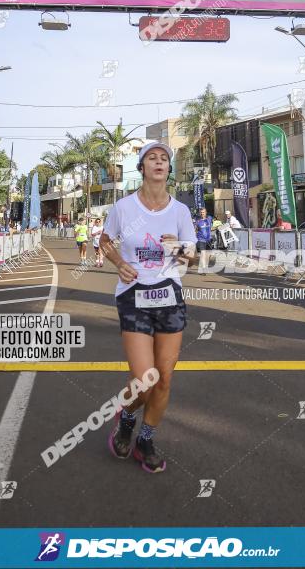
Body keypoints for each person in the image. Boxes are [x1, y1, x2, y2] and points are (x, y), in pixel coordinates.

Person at [99, 141, 197, 473]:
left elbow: (193, 257)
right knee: (145, 379)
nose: (159, 162)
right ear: (142, 167)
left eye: (164, 159)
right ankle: (126, 417)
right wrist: (117, 262)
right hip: (133, 294)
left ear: (169, 169)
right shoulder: (124, 208)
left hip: (170, 294)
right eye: (152, 158)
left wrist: (179, 247)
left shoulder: (180, 211)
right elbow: (105, 240)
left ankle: (145, 439)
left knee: (165, 379)